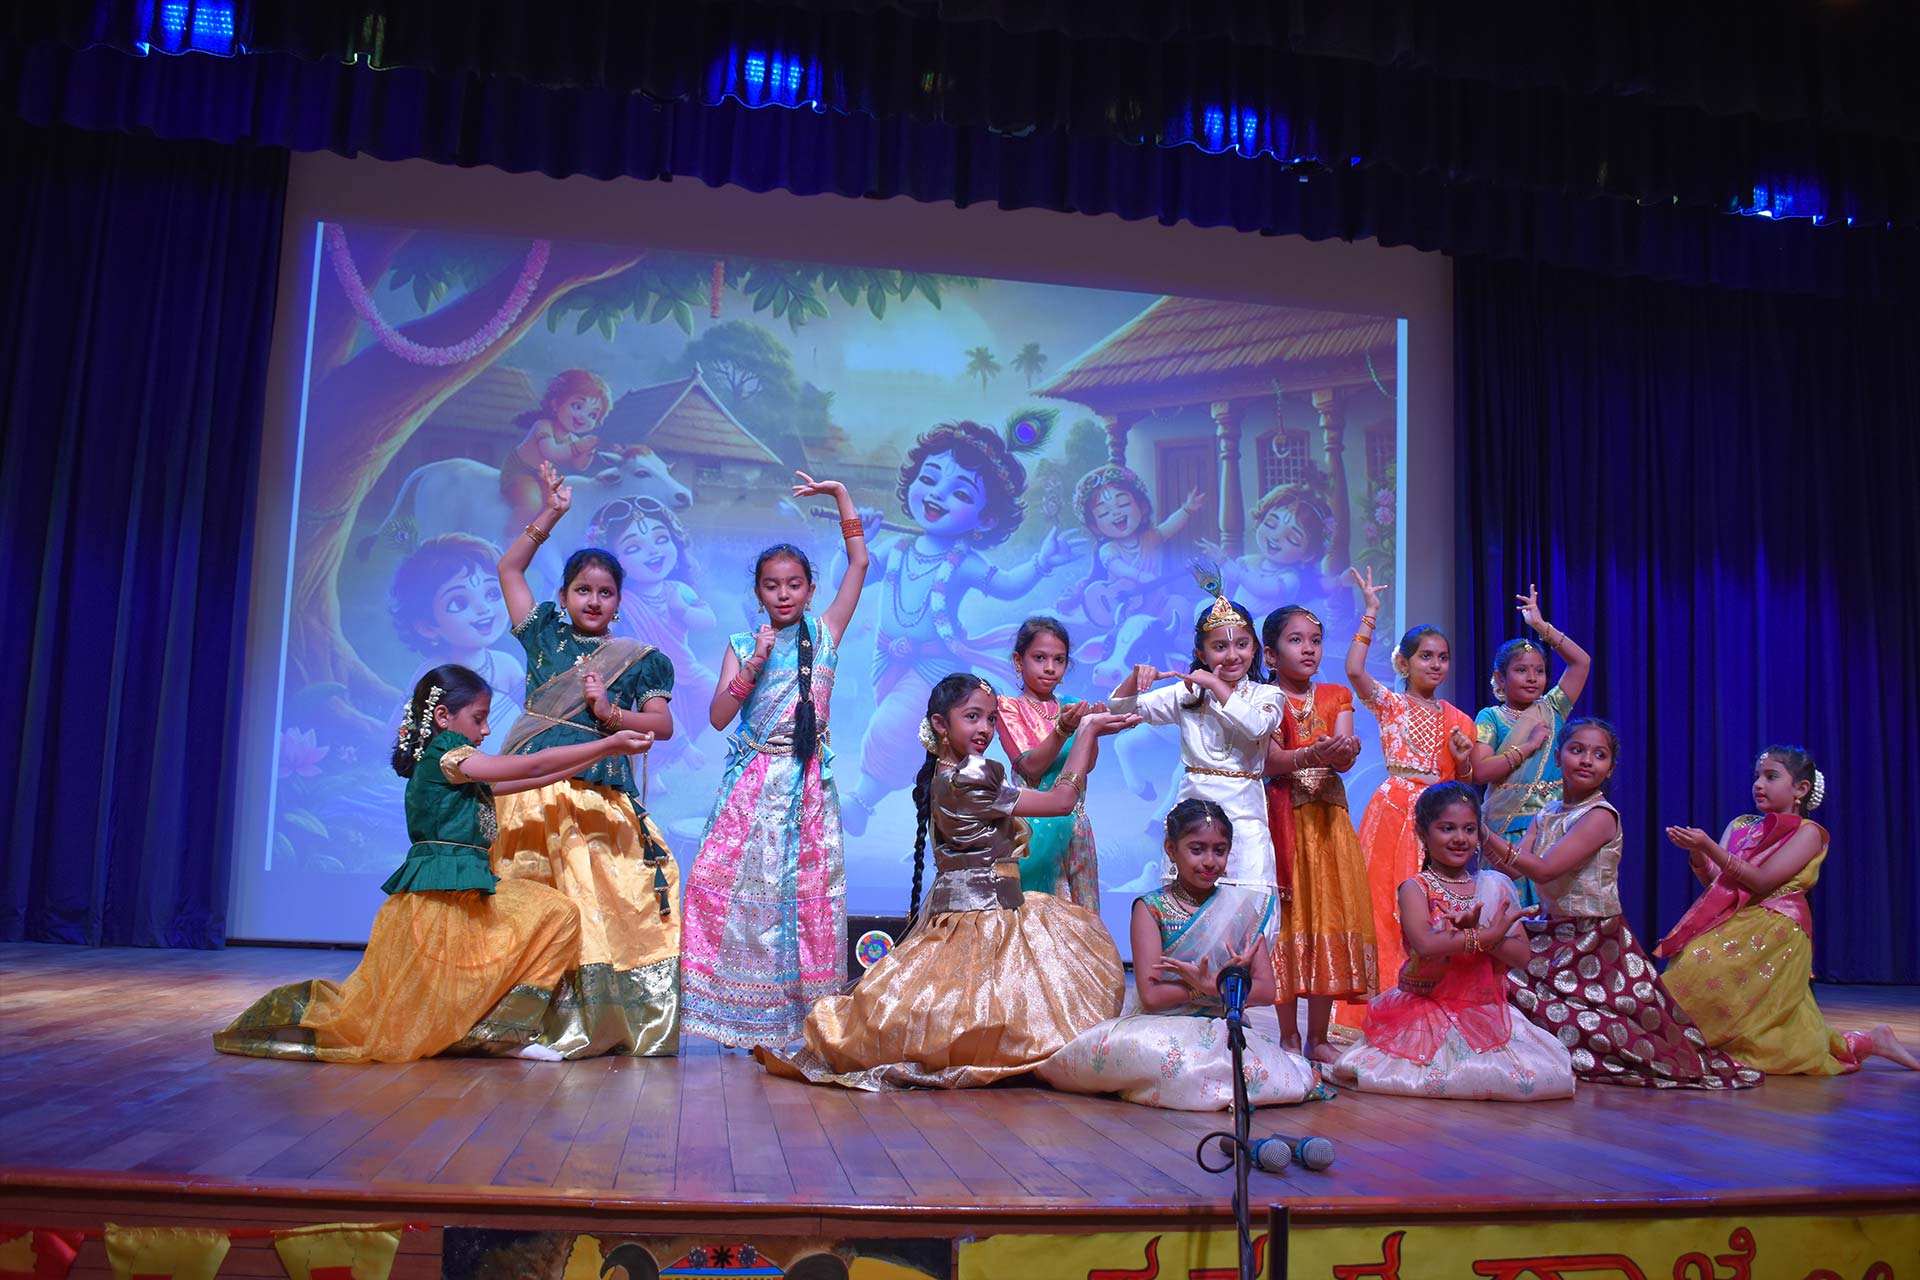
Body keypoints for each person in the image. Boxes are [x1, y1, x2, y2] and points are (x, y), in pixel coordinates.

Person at [214, 666, 649, 1063]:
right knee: (416, 1005)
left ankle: (499, 1031)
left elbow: (533, 776)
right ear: (443, 717)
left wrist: (600, 755)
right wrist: (608, 742)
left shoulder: (459, 770)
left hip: (466, 892)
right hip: (441, 898)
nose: (486, 729)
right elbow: (531, 763)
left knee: (556, 913)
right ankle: (491, 1032)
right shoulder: (448, 756)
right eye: (479, 718)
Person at [757, 674, 1134, 1089]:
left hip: (991, 911)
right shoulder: (970, 777)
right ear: (940, 723)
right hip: (983, 918)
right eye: (972, 717)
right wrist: (1086, 732)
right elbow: (1062, 802)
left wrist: (1067, 729)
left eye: (991, 719)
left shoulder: (953, 771)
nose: (985, 729)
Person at [492, 461, 683, 1056]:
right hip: (531, 795)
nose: (593, 600)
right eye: (583, 590)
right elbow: (509, 569)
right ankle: (516, 1020)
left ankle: (589, 1023)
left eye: (605, 593)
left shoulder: (639, 659)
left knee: (601, 908)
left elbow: (662, 726)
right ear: (563, 596)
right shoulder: (542, 634)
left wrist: (611, 713)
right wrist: (551, 513)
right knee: (533, 901)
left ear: (619, 602)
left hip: (599, 797)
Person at [680, 475, 871, 1048]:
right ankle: (735, 1017)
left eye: (794, 585)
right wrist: (754, 664)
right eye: (772, 586)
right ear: (759, 592)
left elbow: (859, 563)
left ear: (810, 590)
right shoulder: (743, 644)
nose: (783, 594)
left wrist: (840, 496)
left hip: (807, 786)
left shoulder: (826, 634)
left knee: (805, 901)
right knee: (725, 890)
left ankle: (803, 1022)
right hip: (752, 784)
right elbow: (718, 717)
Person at [1488, 720, 1762, 1089]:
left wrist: (1482, 831)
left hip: (1594, 940)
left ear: (1610, 768)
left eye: (1599, 755)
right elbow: (1513, 866)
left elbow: (1545, 869)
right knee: (1496, 976)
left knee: (1590, 1024)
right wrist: (1477, 837)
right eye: (1577, 750)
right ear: (1558, 757)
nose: (1587, 760)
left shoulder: (1601, 816)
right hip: (1552, 930)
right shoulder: (1547, 812)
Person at [839, 421, 1081, 835]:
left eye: (962, 493)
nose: (937, 495)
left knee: (893, 727)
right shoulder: (895, 548)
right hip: (888, 660)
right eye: (929, 478)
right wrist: (855, 540)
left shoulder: (962, 561)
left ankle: (862, 801)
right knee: (918, 739)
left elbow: (1006, 586)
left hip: (934, 668)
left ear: (986, 517)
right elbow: (844, 577)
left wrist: (1041, 563)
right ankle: (945, 824)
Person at [1038, 799, 1323, 1110]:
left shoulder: (1240, 910)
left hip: (1224, 1027)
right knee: (1172, 1061)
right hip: (1162, 1026)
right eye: (1197, 849)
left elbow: (1267, 991)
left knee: (1256, 1073)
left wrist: (1211, 986)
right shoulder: (1151, 909)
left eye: (1219, 850)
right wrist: (1207, 988)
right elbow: (1151, 996)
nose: (1210, 861)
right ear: (1171, 850)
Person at [1658, 746, 1919, 1074]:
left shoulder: (1808, 833)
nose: (1759, 784)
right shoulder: (1741, 825)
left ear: (1801, 789)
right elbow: (1718, 884)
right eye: (1757, 776)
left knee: (1759, 1035)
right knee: (1771, 1035)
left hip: (1776, 931)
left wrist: (1708, 845)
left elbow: (1762, 881)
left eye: (1771, 776)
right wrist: (1698, 854)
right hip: (1734, 922)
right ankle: (1870, 1041)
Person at [1328, 783, 1575, 1101]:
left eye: (1469, 829)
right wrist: (1480, 936)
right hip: (1426, 1012)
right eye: (1447, 828)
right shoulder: (1416, 888)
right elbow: (1425, 944)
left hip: (1485, 1013)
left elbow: (1521, 956)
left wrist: (1487, 938)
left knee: (1537, 1078)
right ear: (1422, 832)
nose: (1460, 838)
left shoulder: (1494, 886)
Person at [1341, 566, 1476, 1021]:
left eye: (1443, 658)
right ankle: (1380, 1003)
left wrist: (1463, 757)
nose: (1435, 665)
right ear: (1405, 663)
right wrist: (1370, 613)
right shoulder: (1391, 704)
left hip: (1437, 817)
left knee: (1434, 908)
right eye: (1426, 656)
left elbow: (1466, 783)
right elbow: (1354, 671)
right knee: (1384, 903)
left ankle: (1429, 1004)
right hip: (1393, 811)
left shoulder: (1459, 719)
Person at [1108, 570, 1282, 898]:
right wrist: (1135, 678)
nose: (1232, 655)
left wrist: (1215, 684)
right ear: (1202, 654)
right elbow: (1121, 709)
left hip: (1245, 815)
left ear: (1254, 648)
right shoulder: (1187, 693)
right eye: (1220, 647)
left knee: (1248, 904)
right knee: (1187, 907)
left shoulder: (1267, 695)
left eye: (1242, 644)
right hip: (1192, 813)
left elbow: (1257, 726)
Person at [1261, 604, 1376, 1063]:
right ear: (1270, 655)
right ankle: (1288, 1035)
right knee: (1290, 922)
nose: (1308, 649)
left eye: (1315, 640)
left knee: (1328, 917)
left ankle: (1318, 1037)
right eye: (1296, 640)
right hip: (1283, 820)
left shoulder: (1335, 694)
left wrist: (1344, 751)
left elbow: (1343, 756)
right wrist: (1315, 753)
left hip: (1328, 823)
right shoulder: (1263, 700)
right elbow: (1270, 761)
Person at [1465, 585, 1592, 909]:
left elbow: (1581, 663)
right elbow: (1479, 771)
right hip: (1507, 831)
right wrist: (1528, 746)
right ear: (1500, 678)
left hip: (1554, 828)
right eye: (1521, 670)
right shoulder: (1491, 717)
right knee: (1513, 915)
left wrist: (1540, 626)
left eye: (1539, 671)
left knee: (1556, 913)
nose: (1532, 678)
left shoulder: (1553, 708)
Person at [994, 616, 1101, 906]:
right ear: (1019, 661)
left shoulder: (1072, 705)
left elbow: (1087, 765)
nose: (1050, 668)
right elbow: (1031, 768)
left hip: (1076, 825)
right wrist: (1064, 729)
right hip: (1032, 829)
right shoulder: (1009, 708)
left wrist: (1092, 730)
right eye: (1039, 658)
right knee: (1038, 910)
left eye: (1059, 660)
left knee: (1083, 911)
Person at [500, 368, 607, 546]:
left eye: (592, 415)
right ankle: (510, 537)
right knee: (531, 503)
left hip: (542, 476)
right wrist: (579, 447)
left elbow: (580, 465)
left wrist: (588, 451)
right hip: (520, 470)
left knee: (553, 505)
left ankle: (533, 537)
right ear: (556, 404)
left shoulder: (573, 439)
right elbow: (552, 452)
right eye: (577, 406)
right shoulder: (543, 426)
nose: (583, 417)